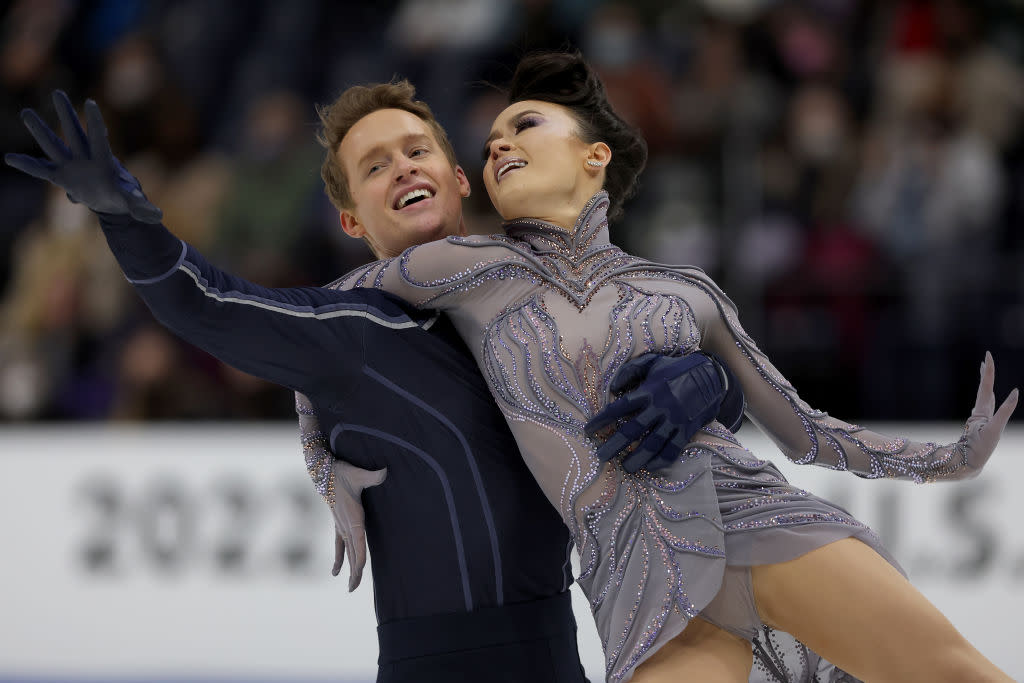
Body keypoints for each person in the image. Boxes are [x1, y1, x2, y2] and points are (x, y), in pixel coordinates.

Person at [295, 51, 1018, 683]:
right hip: (639, 585)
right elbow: (310, 329)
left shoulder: (687, 288)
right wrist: (324, 461)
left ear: (594, 155)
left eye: (525, 126)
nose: (501, 144)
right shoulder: (467, 271)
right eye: (491, 141)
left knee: (954, 673)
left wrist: (947, 459)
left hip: (759, 520)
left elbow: (802, 431)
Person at [6, 88, 743, 683]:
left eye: (416, 150)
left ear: (458, 179)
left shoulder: (559, 309)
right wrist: (126, 219)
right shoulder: (352, 334)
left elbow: (724, 392)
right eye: (375, 165)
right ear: (352, 217)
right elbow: (205, 302)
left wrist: (702, 381)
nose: (403, 167)